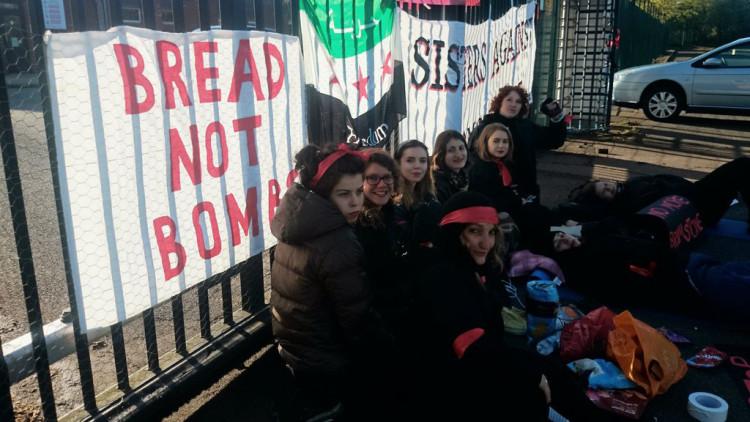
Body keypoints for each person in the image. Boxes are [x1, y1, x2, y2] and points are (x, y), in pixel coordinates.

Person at [415, 191, 620, 421]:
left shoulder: (473, 267)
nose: (486, 243)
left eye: (491, 232)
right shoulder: (442, 277)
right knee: (533, 393)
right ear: (454, 233)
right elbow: (472, 349)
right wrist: (530, 373)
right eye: (474, 231)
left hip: (483, 360)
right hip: (455, 381)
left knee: (556, 376)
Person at [270, 143, 396, 421]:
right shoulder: (338, 241)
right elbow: (357, 319)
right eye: (344, 194)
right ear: (324, 194)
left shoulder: (299, 222)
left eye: (358, 191)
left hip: (296, 346)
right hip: (326, 357)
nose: (355, 202)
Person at [567, 157, 750, 230]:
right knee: (742, 167)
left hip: (695, 192)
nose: (609, 188)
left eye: (606, 184)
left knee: (742, 165)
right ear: (604, 201)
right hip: (697, 210)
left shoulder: (630, 185)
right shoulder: (624, 207)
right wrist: (567, 226)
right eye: (604, 192)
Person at [467, 85, 567, 200]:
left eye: (518, 102)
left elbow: (554, 140)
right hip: (496, 195)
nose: (513, 104)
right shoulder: (485, 128)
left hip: (528, 192)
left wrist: (556, 117)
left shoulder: (525, 126)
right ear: (500, 102)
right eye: (509, 100)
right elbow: (474, 158)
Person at [394, 139, 442, 252]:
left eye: (422, 161)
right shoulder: (393, 198)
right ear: (398, 164)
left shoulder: (428, 195)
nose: (417, 166)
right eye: (410, 160)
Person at [431, 130, 469, 204]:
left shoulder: (464, 175)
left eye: (461, 148)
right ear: (441, 154)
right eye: (451, 150)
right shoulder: (437, 184)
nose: (458, 155)